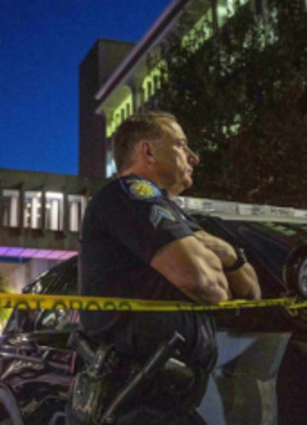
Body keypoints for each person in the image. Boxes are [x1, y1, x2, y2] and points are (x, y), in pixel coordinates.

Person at [77, 111, 261, 424]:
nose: (194, 157)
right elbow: (207, 284)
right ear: (148, 152)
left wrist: (231, 256)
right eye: (181, 145)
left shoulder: (176, 215)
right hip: (136, 398)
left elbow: (251, 293)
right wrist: (216, 265)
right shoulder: (130, 194)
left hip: (170, 399)